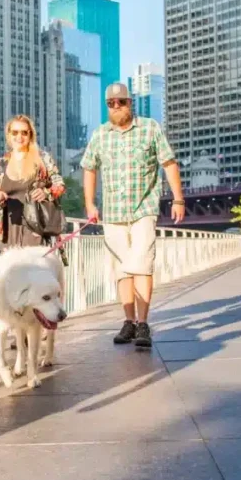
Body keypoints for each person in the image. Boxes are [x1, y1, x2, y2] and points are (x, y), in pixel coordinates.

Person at [81, 82, 185, 349]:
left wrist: (178, 199)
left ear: (131, 102)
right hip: (113, 213)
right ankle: (128, 322)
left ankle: (143, 324)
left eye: (122, 102)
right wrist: (90, 204)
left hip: (143, 210)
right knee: (121, 270)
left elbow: (168, 163)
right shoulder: (100, 135)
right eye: (111, 104)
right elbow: (89, 168)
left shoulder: (150, 127)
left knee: (142, 263)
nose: (117, 107)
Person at [0, 114, 65, 253]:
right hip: (7, 231)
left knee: (34, 272)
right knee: (8, 273)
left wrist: (46, 193)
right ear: (8, 135)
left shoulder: (42, 159)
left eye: (24, 132)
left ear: (30, 135)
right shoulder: (0, 163)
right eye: (15, 132)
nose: (19, 137)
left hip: (36, 230)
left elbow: (59, 185)